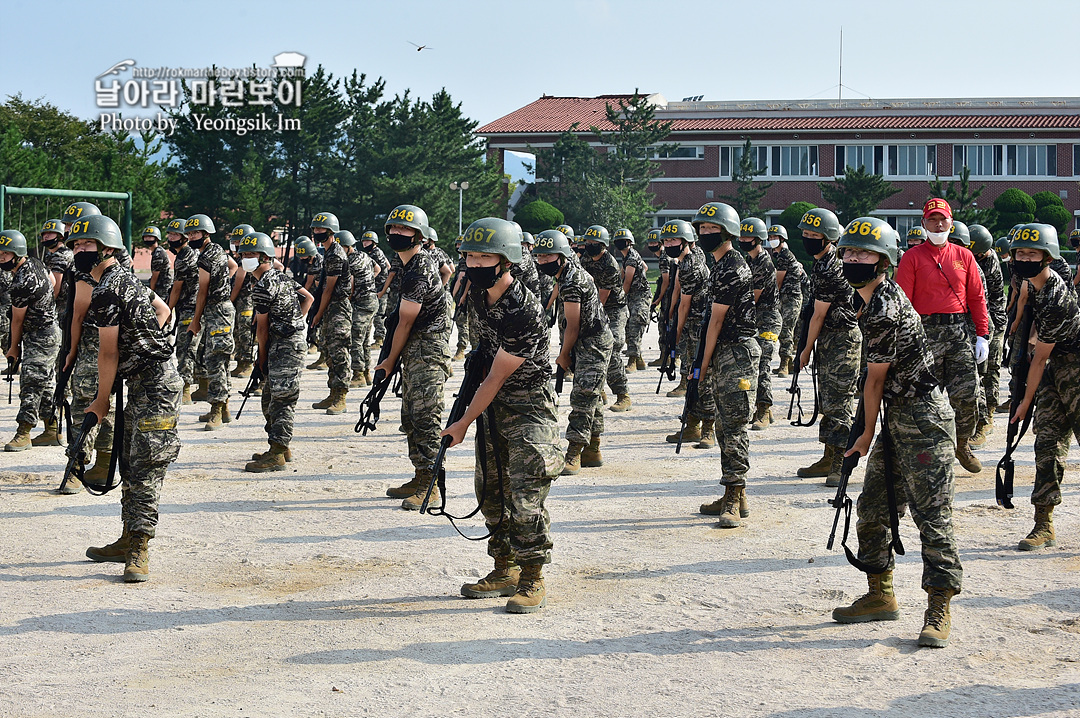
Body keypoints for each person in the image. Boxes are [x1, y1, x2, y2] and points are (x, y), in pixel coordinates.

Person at [830, 216, 962, 649]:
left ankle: (938, 609)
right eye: (848, 251)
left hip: (924, 421)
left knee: (932, 517)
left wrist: (864, 435)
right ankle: (879, 594)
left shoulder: (883, 307)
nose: (853, 259)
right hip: (898, 416)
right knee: (872, 509)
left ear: (883, 260)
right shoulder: (864, 299)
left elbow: (873, 381)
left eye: (863, 253)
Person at [446, 217, 563, 613]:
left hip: (528, 405)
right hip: (493, 407)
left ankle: (532, 577)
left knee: (525, 493)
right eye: (470, 256)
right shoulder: (479, 297)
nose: (475, 264)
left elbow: (496, 377)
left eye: (485, 257)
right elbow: (483, 356)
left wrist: (461, 422)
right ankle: (504, 568)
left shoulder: (523, 310)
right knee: (490, 490)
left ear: (508, 261)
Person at [73, 215, 181, 583]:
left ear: (105, 248)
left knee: (147, 465)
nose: (77, 251)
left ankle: (139, 548)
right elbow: (164, 311)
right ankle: (126, 537)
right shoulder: (128, 279)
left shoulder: (106, 290)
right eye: (75, 246)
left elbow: (107, 354)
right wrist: (153, 344)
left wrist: (100, 401)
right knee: (131, 462)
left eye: (83, 245)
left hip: (155, 386)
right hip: (145, 381)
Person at [895, 199, 989, 474]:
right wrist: (906, 340)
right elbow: (904, 301)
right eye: (932, 220)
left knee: (968, 394)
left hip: (958, 332)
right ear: (924, 224)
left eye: (943, 220)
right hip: (925, 331)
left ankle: (962, 444)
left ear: (951, 222)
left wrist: (982, 334)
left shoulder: (964, 256)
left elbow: (976, 297)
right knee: (924, 396)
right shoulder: (912, 257)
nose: (938, 225)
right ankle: (929, 449)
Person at [1007, 223, 1080, 552]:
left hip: (1075, 368)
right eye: (1020, 252)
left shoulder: (1054, 294)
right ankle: (1043, 523)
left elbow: (1039, 358)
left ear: (1047, 257)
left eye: (1032, 253)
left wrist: (1024, 400)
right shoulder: (1030, 284)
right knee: (1047, 444)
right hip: (1054, 369)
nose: (1024, 258)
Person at [375, 205, 452, 509]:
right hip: (417, 351)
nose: (397, 233)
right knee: (411, 417)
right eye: (393, 229)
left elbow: (406, 321)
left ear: (418, 235)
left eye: (404, 230)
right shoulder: (409, 265)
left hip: (428, 352)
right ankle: (421, 476)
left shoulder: (419, 268)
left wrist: (389, 360)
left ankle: (433, 487)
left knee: (425, 417)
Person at [693, 204, 760, 528]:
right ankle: (737, 491)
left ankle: (733, 496)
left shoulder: (731, 266)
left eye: (711, 228)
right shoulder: (720, 264)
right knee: (723, 425)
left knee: (733, 426)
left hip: (737, 354)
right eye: (702, 229)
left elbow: (716, 322)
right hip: (726, 353)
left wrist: (700, 368)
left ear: (727, 230)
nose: (706, 234)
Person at [533, 229, 612, 474]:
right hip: (586, 341)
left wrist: (564, 354)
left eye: (549, 256)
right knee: (592, 395)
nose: (543, 261)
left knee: (583, 396)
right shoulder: (566, 274)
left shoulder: (571, 280)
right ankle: (593, 448)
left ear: (562, 255)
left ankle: (574, 452)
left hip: (594, 342)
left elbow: (573, 324)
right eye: (540, 256)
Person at [796, 208, 862, 488]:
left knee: (839, 402)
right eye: (806, 234)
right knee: (829, 399)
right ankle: (828, 454)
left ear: (829, 238)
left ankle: (840, 461)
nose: (809, 239)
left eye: (815, 235)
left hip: (841, 340)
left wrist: (805, 349)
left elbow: (819, 314)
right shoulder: (827, 261)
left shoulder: (829, 266)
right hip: (832, 339)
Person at [240, 232, 314, 472]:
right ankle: (281, 444)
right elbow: (308, 298)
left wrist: (261, 359)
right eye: (243, 254)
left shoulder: (263, 286)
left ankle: (278, 453)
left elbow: (262, 328)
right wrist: (296, 321)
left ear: (264, 257)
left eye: (250, 254)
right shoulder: (281, 277)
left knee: (281, 401)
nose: (244, 258)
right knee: (270, 398)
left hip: (283, 348)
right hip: (287, 344)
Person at [2, 229, 61, 452]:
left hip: (39, 336)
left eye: (4, 254)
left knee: (31, 383)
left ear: (16, 254)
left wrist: (13, 348)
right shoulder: (36, 263)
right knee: (45, 383)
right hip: (50, 331)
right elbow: (53, 281)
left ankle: (24, 432)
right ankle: (52, 429)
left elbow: (17, 321)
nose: (1, 258)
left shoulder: (21, 282)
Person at [662, 219, 716, 449]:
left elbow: (685, 304)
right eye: (666, 240)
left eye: (673, 240)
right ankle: (692, 423)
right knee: (691, 373)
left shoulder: (689, 266)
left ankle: (708, 428)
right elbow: (677, 291)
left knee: (701, 374)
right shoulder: (690, 258)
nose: (668, 244)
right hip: (696, 322)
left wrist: (675, 332)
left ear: (685, 241)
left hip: (698, 324)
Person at [186, 214, 236, 430]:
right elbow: (233, 266)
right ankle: (224, 407)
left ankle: (216, 408)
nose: (191, 237)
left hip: (217, 310)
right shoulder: (218, 250)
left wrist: (195, 319)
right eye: (189, 233)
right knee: (222, 359)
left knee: (215, 360)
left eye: (195, 233)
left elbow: (202, 290)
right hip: (223, 308)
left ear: (206, 233)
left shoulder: (206, 256)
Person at [581, 225, 631, 412]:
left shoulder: (609, 264)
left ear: (604, 245)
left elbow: (603, 296)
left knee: (613, 346)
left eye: (595, 243)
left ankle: (623, 395)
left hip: (614, 308)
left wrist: (589, 317)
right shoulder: (585, 258)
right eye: (588, 242)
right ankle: (599, 390)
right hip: (594, 306)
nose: (590, 245)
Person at [307, 213, 353, 415]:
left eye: (321, 230)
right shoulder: (328, 252)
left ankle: (341, 396)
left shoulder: (335, 254)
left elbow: (329, 289)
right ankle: (333, 392)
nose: (318, 233)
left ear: (331, 231)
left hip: (337, 308)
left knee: (339, 351)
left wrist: (318, 312)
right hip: (331, 307)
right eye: (315, 229)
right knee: (329, 351)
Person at [740, 218, 782, 431]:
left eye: (747, 237)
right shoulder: (750, 260)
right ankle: (763, 406)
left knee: (762, 363)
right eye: (741, 236)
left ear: (757, 239)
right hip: (756, 318)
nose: (743, 240)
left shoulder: (763, 262)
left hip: (768, 319)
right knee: (752, 363)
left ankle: (764, 409)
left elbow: (753, 297)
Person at [967, 224, 1007, 448]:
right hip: (979, 321)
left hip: (993, 322)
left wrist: (989, 332)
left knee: (990, 369)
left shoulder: (989, 264)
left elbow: (989, 300)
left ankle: (987, 418)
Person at [35, 218, 72, 447]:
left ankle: (54, 427)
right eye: (44, 235)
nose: (46, 238)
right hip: (64, 315)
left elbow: (55, 287)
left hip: (61, 315)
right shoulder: (58, 254)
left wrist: (44, 308)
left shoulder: (60, 255)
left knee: (57, 370)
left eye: (50, 235)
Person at [339, 230, 380, 388]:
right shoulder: (364, 256)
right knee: (365, 340)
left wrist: (349, 298)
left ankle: (358, 374)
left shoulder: (349, 261)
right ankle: (367, 373)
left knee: (355, 339)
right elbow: (378, 269)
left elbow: (350, 284)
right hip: (372, 300)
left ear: (347, 247)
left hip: (362, 303)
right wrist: (368, 283)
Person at [166, 218, 200, 405]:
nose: (171, 238)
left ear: (184, 237)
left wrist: (168, 310)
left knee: (185, 347)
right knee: (196, 348)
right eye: (170, 234)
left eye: (175, 234)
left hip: (189, 307)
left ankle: (185, 388)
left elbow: (177, 288)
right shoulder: (193, 253)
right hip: (195, 306)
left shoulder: (184, 257)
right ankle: (201, 385)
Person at [768, 224, 804, 380]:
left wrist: (772, 296)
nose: (772, 240)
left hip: (791, 297)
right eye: (770, 238)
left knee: (786, 330)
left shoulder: (784, 255)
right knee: (785, 329)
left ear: (782, 239)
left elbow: (779, 280)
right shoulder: (778, 254)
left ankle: (784, 362)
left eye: (775, 238)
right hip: (786, 297)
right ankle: (788, 363)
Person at [613, 228, 650, 373]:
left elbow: (627, 282)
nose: (619, 244)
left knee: (634, 324)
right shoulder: (627, 257)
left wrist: (619, 298)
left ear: (629, 242)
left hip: (640, 296)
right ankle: (639, 359)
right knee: (628, 326)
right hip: (633, 295)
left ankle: (632, 361)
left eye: (621, 241)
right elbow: (645, 267)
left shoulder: (632, 257)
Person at [227, 224, 257, 379]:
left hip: (246, 301)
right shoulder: (241, 258)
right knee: (239, 331)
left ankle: (247, 364)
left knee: (245, 332)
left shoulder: (246, 259)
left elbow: (238, 283)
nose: (237, 244)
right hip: (241, 301)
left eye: (240, 241)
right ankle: (240, 363)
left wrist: (230, 301)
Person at [361, 231, 391, 348]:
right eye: (363, 241)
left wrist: (369, 280)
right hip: (381, 286)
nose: (365, 243)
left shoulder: (374, 254)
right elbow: (388, 266)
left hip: (380, 288)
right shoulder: (378, 252)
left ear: (374, 242)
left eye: (367, 241)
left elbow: (377, 269)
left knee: (379, 314)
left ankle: (379, 339)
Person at [142, 226, 173, 302]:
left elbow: (155, 276)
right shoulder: (159, 250)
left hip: (162, 287)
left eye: (150, 237)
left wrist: (151, 292)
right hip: (163, 285)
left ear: (156, 238)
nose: (147, 239)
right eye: (146, 237)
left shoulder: (158, 253)